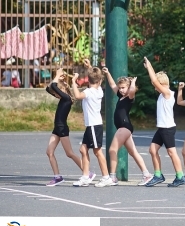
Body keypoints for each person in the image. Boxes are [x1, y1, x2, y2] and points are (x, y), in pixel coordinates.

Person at [99, 68, 152, 186]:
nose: (121, 90)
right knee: (133, 152)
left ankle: (112, 177)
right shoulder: (121, 96)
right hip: (123, 128)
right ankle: (147, 174)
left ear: (128, 88)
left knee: (112, 150)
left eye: (123, 88)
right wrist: (108, 73)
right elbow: (113, 85)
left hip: (124, 127)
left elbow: (132, 90)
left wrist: (132, 82)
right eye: (121, 88)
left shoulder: (129, 97)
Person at [142, 57, 185, 187]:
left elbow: (155, 81)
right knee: (152, 150)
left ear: (162, 84)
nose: (154, 87)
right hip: (161, 128)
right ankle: (158, 175)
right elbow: (155, 82)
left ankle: (180, 176)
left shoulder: (168, 93)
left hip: (167, 128)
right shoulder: (162, 95)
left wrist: (150, 66)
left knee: (172, 152)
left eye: (157, 85)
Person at [71, 59, 110, 187]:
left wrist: (73, 82)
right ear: (99, 81)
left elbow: (77, 95)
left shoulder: (89, 92)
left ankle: (106, 177)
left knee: (97, 151)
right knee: (83, 149)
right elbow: (95, 77)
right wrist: (90, 68)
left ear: (88, 80)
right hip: (92, 125)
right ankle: (85, 176)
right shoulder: (99, 91)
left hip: (94, 125)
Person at [44, 68, 85, 186]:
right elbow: (49, 88)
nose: (55, 94)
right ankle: (57, 177)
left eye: (57, 92)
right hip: (57, 129)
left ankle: (86, 172)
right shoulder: (62, 98)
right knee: (49, 152)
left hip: (62, 128)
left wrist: (57, 75)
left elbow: (54, 87)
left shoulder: (67, 99)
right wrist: (57, 77)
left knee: (70, 153)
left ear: (62, 90)